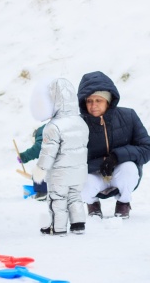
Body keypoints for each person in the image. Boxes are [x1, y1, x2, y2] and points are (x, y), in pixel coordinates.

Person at [77, 71, 150, 219]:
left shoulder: (129, 116)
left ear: (108, 100)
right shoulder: (78, 125)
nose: (93, 106)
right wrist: (102, 163)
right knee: (79, 179)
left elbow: (147, 149)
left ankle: (123, 203)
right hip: (94, 175)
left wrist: (116, 157)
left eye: (98, 100)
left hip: (120, 173)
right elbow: (72, 158)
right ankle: (92, 203)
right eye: (89, 101)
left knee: (129, 168)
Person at [31, 77, 89, 235]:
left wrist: (40, 170)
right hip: (78, 172)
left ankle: (58, 227)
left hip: (59, 174)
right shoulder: (81, 122)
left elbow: (48, 152)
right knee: (75, 197)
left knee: (57, 199)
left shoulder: (53, 126)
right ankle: (78, 224)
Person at [17, 124, 48, 201]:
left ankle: (42, 192)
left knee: (40, 169)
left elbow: (39, 148)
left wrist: (24, 156)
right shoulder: (47, 128)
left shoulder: (42, 132)